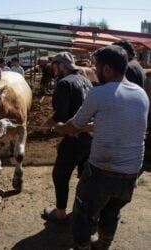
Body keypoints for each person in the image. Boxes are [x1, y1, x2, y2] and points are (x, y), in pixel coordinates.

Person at [55, 45, 149, 250]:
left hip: (102, 171)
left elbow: (74, 125)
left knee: (83, 215)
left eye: (96, 67)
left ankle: (82, 247)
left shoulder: (100, 93)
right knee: (112, 211)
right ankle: (103, 245)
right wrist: (92, 126)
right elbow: (120, 123)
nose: (94, 71)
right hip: (131, 172)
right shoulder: (141, 94)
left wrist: (62, 128)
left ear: (107, 69)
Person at [41, 51, 93, 223]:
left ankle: (60, 213)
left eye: (55, 65)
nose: (53, 69)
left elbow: (60, 115)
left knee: (60, 174)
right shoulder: (85, 80)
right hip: (90, 137)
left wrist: (45, 125)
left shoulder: (64, 83)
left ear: (62, 66)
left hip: (73, 137)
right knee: (86, 177)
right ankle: (85, 212)